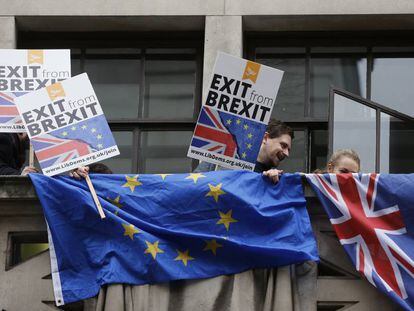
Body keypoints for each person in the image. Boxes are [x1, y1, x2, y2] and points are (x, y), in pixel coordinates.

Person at [194, 119, 294, 183]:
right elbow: (193, 185)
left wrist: (271, 183)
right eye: (283, 146)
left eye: (288, 150)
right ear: (265, 138)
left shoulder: (274, 177)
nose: (287, 153)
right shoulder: (222, 157)